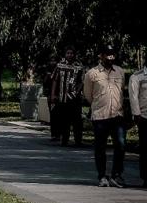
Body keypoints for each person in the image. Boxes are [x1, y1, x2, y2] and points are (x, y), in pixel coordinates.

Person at [83, 45, 126, 187]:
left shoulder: (120, 72)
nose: (110, 57)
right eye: (107, 55)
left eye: (112, 54)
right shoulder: (92, 74)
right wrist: (99, 104)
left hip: (117, 115)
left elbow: (121, 91)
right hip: (100, 116)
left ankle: (116, 174)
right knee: (100, 147)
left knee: (120, 144)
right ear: (101, 56)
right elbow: (88, 96)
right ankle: (102, 176)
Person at [49, 47, 84, 146]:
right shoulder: (60, 66)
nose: (70, 55)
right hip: (62, 98)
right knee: (64, 120)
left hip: (75, 99)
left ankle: (78, 140)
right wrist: (52, 95)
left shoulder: (79, 66)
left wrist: (76, 93)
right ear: (65, 54)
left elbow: (81, 82)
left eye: (71, 53)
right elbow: (55, 80)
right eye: (68, 53)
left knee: (77, 120)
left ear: (74, 54)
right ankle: (64, 140)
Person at [129, 61, 147, 187]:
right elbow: (133, 96)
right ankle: (146, 177)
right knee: (145, 148)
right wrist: (136, 114)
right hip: (144, 117)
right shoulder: (137, 76)